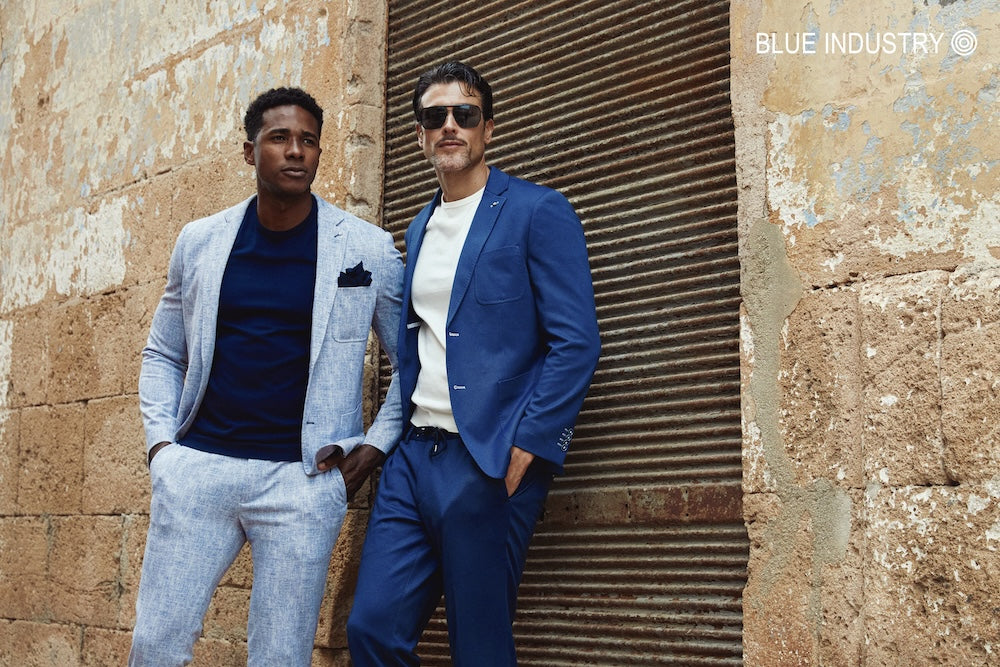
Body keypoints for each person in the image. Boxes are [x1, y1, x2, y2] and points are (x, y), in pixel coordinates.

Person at [129, 86, 403, 666]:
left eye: (308, 140)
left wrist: (370, 451)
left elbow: (415, 365)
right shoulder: (200, 242)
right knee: (155, 646)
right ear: (250, 151)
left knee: (280, 658)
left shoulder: (367, 248)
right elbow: (162, 354)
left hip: (302, 483)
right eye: (280, 138)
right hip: (200, 470)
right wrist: (162, 449)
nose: (296, 151)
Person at [346, 62, 601, 666]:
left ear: (488, 128)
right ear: (419, 135)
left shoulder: (537, 211)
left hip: (488, 459)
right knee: (372, 628)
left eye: (465, 114)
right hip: (414, 458)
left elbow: (577, 341)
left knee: (479, 649)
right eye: (435, 116)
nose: (450, 126)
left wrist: (530, 443)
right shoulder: (419, 227)